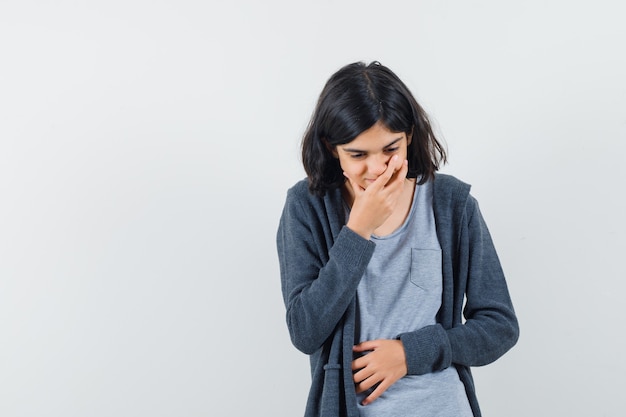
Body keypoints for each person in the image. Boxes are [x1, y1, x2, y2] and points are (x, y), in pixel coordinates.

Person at [276, 61, 519, 417]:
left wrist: (410, 353)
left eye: (391, 149)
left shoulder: (452, 205)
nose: (377, 169)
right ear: (332, 149)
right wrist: (357, 231)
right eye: (357, 155)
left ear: (408, 137)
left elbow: (500, 326)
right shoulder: (306, 207)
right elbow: (305, 332)